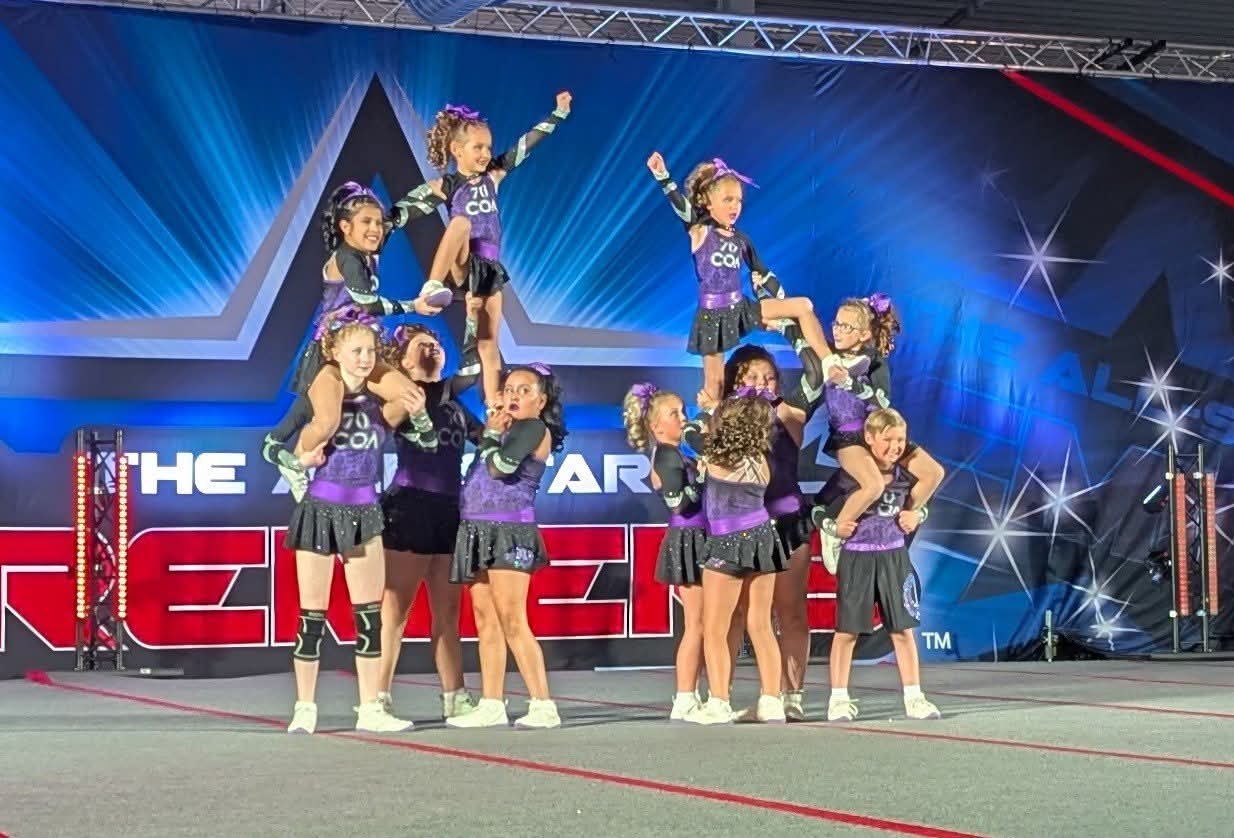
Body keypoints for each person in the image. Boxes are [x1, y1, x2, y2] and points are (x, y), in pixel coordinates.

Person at [447, 364, 568, 729]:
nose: (515, 395)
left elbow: (500, 467)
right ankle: (492, 703)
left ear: (541, 400)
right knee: (486, 620)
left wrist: (489, 435)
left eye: (524, 390)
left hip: (510, 530)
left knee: (512, 619)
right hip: (477, 528)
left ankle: (543, 704)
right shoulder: (504, 427)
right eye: (510, 388)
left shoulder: (533, 427)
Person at [813, 408, 943, 723]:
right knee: (847, 632)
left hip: (894, 557)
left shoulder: (907, 476)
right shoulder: (849, 476)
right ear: (869, 439)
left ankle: (914, 697)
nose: (895, 447)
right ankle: (838, 699)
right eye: (888, 440)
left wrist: (918, 514)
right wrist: (832, 526)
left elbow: (921, 507)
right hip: (857, 557)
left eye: (900, 440)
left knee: (902, 630)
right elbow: (817, 508)